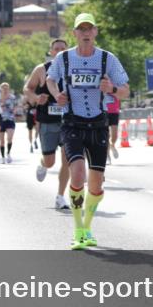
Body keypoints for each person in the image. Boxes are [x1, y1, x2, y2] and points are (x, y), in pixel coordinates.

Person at [46, 13, 129, 250]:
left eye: (89, 28)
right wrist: (57, 95)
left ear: (95, 32)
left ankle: (88, 227)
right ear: (74, 33)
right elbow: (51, 79)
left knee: (96, 185)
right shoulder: (63, 58)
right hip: (72, 123)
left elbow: (125, 90)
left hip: (98, 124)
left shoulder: (107, 59)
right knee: (77, 173)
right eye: (81, 29)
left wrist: (111, 88)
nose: (85, 33)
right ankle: (78, 230)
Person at [25, 38, 72, 209]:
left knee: (67, 160)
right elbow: (27, 88)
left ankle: (60, 196)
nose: (59, 51)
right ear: (51, 52)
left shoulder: (73, 68)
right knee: (50, 161)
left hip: (68, 121)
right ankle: (43, 163)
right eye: (56, 48)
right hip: (47, 120)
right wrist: (36, 97)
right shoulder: (41, 69)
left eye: (63, 48)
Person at [0, 82, 17, 163]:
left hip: (10, 119)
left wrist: (14, 111)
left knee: (9, 138)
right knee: (2, 141)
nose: (5, 90)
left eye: (6, 88)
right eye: (3, 88)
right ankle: (3, 157)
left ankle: (8, 153)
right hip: (0, 120)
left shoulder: (12, 97)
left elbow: (16, 106)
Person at [105, 92, 121, 161]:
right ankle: (107, 154)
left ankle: (112, 145)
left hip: (114, 112)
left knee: (115, 136)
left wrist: (112, 91)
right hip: (104, 112)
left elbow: (121, 95)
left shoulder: (116, 86)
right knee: (106, 135)